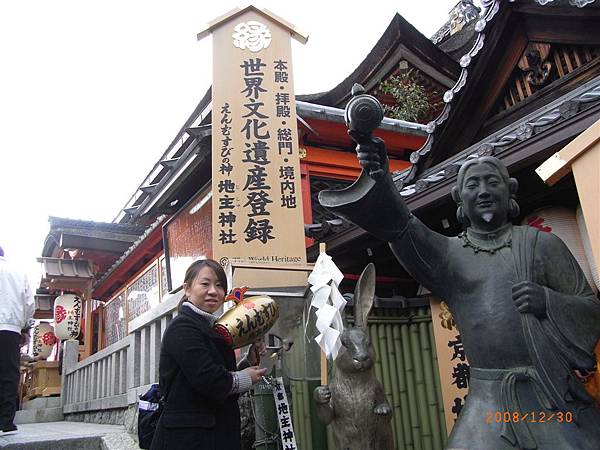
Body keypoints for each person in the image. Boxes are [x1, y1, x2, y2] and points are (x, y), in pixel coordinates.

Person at [319, 133, 600, 449]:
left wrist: (547, 301)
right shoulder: (451, 255)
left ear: (509, 191)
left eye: (492, 182)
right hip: (489, 397)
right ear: (459, 199)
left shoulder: (543, 245)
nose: (482, 191)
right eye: (472, 185)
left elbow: (590, 309)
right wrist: (381, 177)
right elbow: (403, 228)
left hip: (550, 394)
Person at [150, 259, 267, 450]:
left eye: (219, 285)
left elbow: (221, 379)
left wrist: (248, 361)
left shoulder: (212, 328)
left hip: (213, 434)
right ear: (187, 289)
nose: (213, 291)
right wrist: (246, 377)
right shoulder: (182, 327)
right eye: (205, 284)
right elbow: (209, 380)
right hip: (188, 438)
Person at [0, 245, 35, 436]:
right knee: (8, 373)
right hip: (10, 328)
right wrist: (26, 327)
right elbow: (29, 303)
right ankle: (5, 420)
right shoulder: (17, 273)